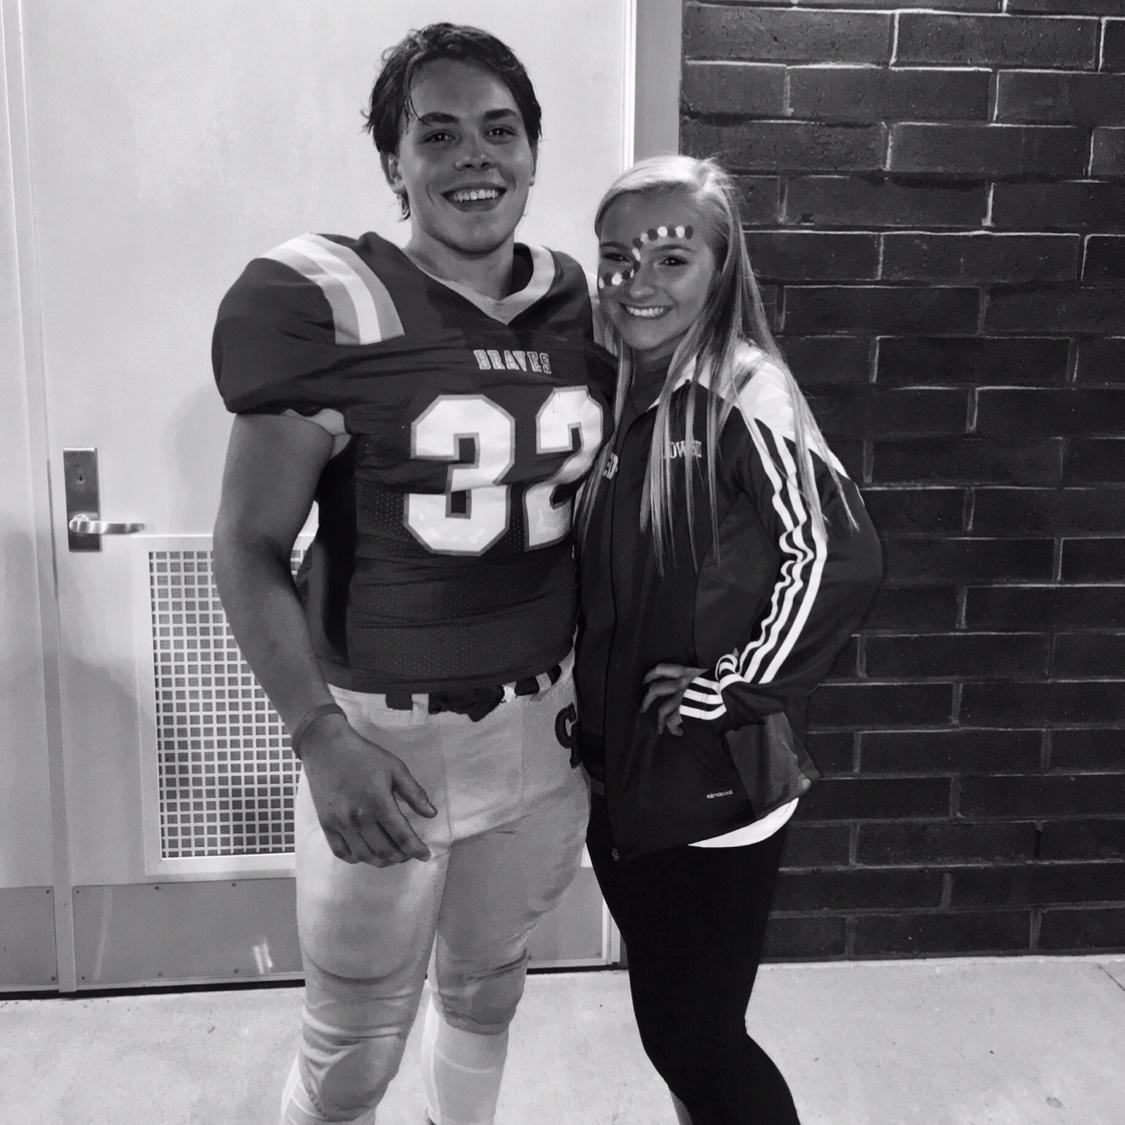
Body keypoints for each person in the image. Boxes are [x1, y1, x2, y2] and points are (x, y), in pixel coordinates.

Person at [211, 23, 613, 1125]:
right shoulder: (330, 300)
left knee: (488, 991)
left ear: (532, 150)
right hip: (386, 737)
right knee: (353, 1046)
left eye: (499, 129)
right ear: (394, 162)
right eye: (437, 134)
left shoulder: (576, 302)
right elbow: (247, 544)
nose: (473, 156)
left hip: (542, 730)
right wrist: (318, 736)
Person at [574, 155, 883, 1125]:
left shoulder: (745, 388)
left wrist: (735, 687)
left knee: (696, 1039)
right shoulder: (623, 391)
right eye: (617, 257)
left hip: (711, 778)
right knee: (683, 1034)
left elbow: (837, 553)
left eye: (670, 257)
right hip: (625, 775)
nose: (638, 281)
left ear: (721, 264)